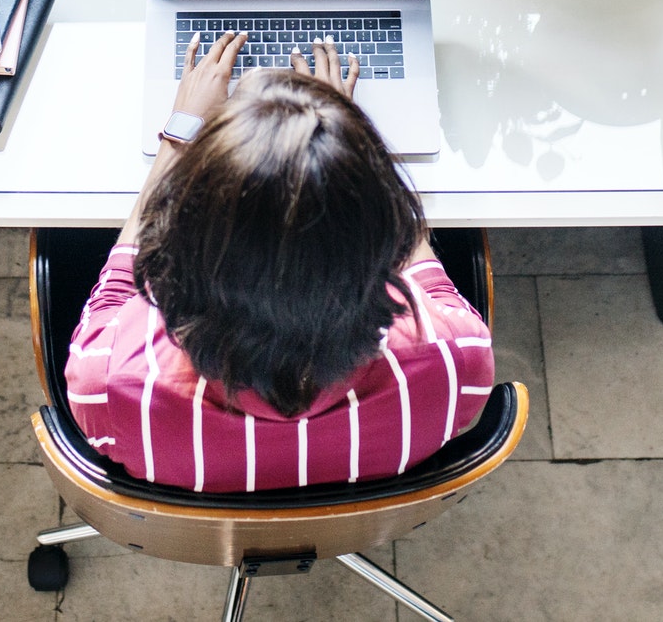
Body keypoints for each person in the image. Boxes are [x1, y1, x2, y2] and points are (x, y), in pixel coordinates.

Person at [65, 32, 493, 492]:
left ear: (176, 252)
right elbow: (424, 271)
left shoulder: (106, 384)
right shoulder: (457, 362)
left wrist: (181, 132)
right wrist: (343, 144)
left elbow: (115, 291)